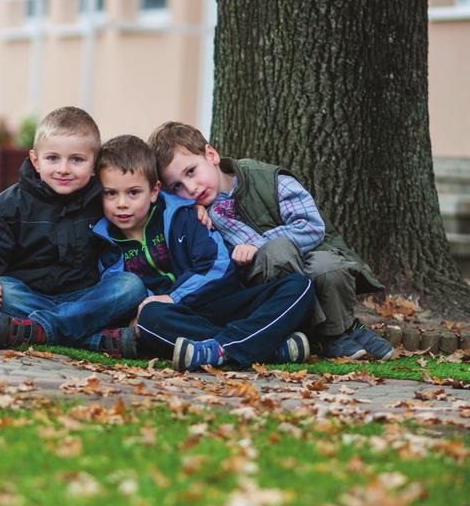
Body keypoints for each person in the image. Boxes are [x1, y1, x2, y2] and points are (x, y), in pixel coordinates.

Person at [149, 121, 393, 361]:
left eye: (191, 171)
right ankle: (334, 335)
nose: (190, 188)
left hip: (309, 254)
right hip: (264, 285)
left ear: (211, 154)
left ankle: (340, 331)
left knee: (324, 268)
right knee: (278, 254)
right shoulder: (198, 216)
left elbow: (311, 225)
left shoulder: (265, 178)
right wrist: (193, 211)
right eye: (178, 186)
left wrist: (258, 244)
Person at [92, 135, 316, 371]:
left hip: (220, 303)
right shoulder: (103, 241)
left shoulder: (184, 217)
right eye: (111, 193)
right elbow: (118, 292)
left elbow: (218, 267)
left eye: (133, 193)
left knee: (300, 287)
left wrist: (174, 296)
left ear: (155, 190)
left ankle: (222, 349)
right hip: (178, 319)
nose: (122, 204)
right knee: (149, 319)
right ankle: (264, 348)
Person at [0, 106, 145, 354]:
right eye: (52, 158)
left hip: (85, 298)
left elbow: (146, 202)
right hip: (29, 295)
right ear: (35, 160)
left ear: (94, 165)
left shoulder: (102, 200)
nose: (63, 168)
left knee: (130, 286)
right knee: (2, 289)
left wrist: (199, 208)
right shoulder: (10, 204)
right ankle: (92, 339)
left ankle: (38, 328)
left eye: (76, 160)